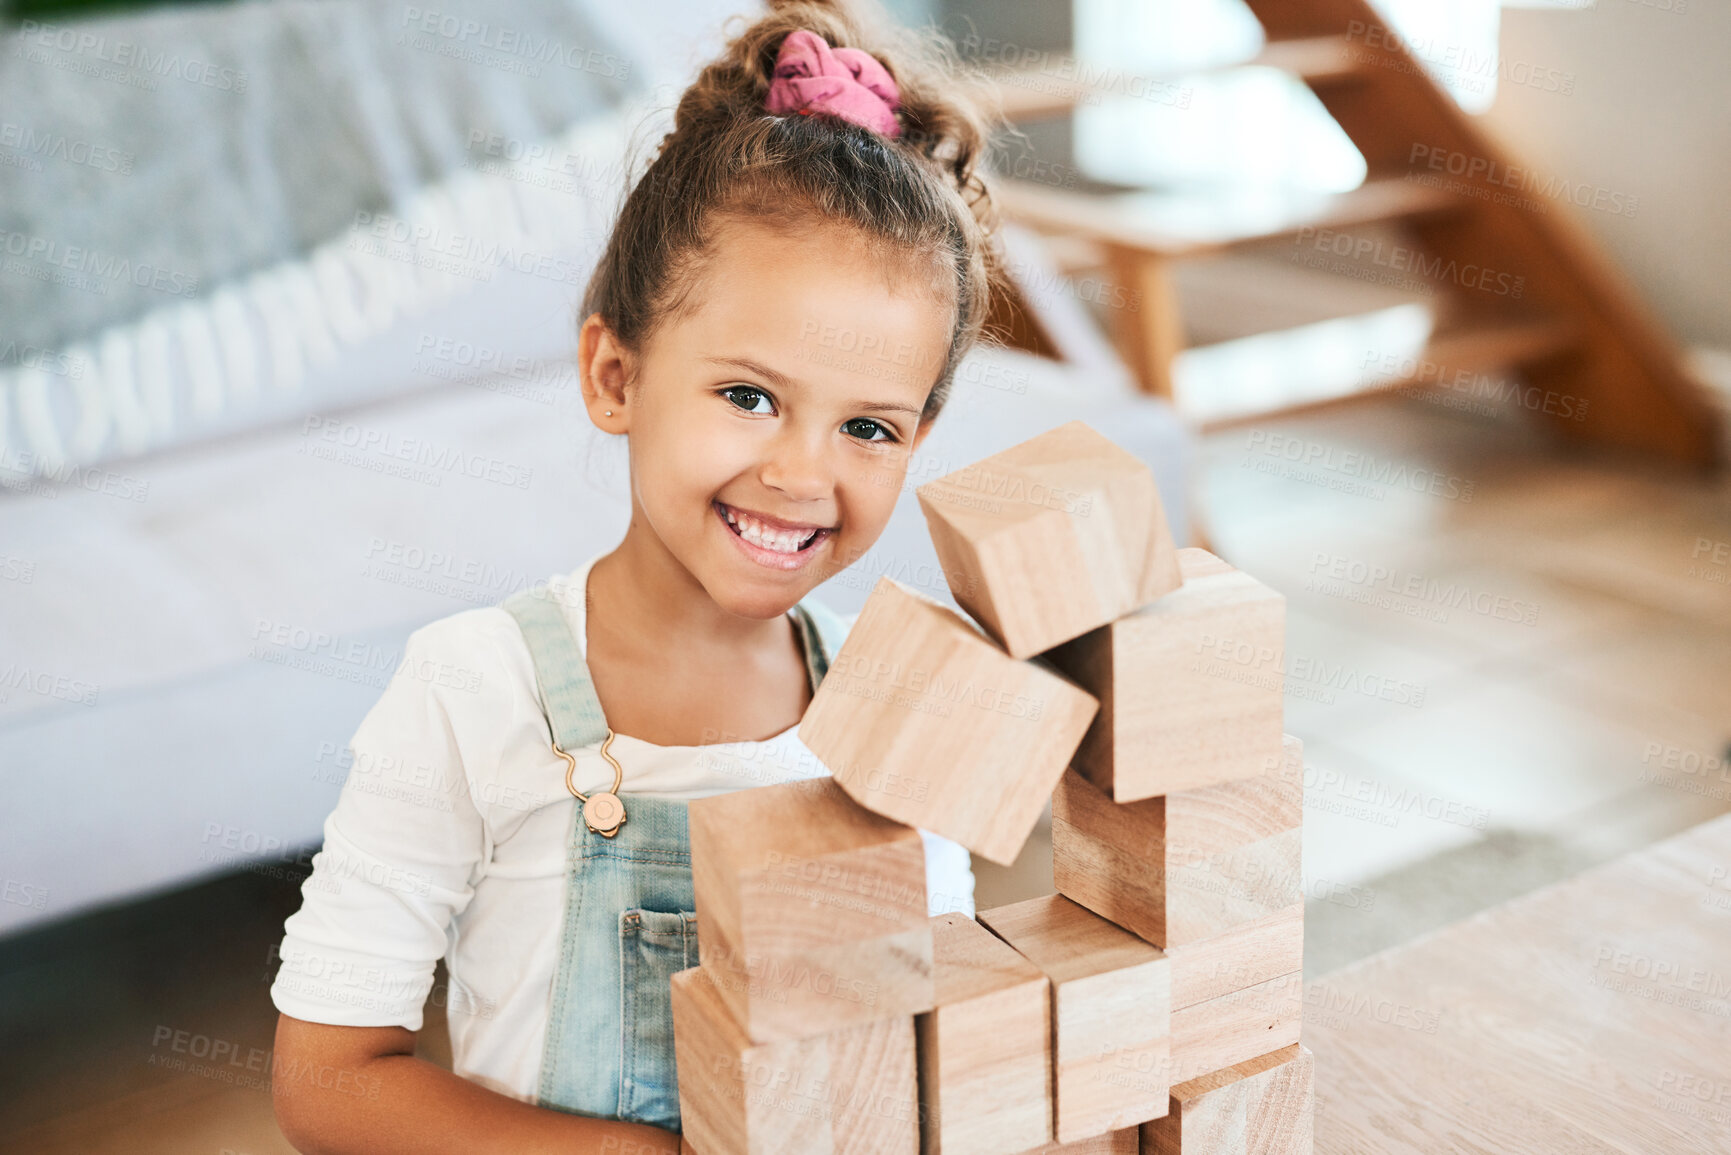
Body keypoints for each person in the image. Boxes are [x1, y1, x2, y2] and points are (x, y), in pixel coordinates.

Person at [269, 1, 1006, 1149]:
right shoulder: (471, 689)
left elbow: (934, 1027)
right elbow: (328, 1080)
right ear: (616, 376)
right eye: (749, 397)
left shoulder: (895, 688)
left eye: (870, 427)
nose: (803, 475)